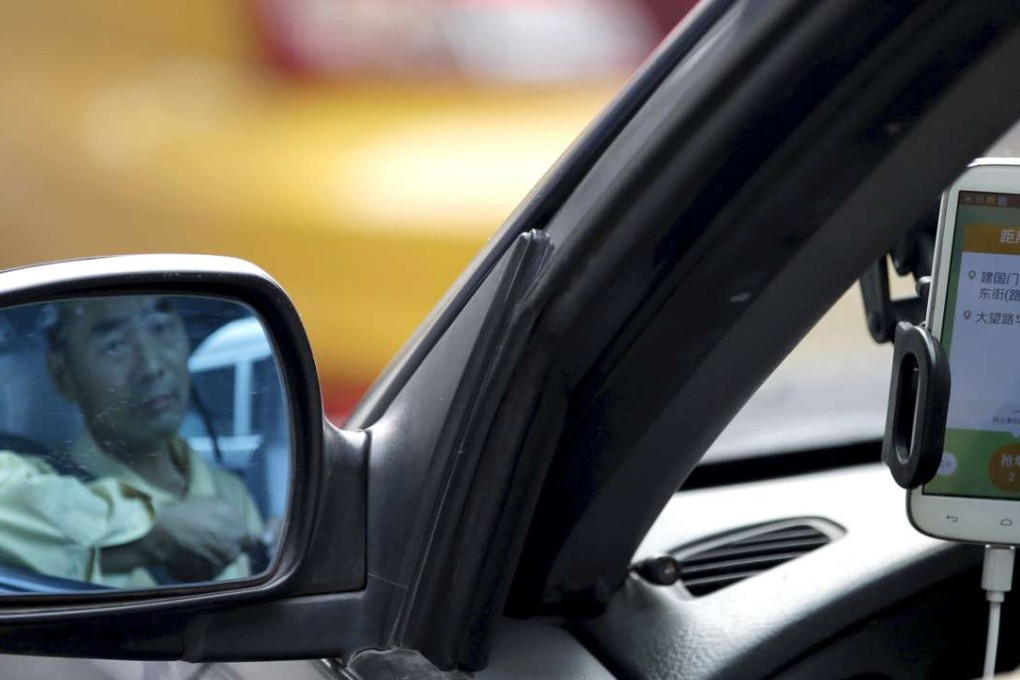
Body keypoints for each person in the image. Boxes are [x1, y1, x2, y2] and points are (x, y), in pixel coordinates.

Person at [0, 295, 263, 588]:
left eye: (161, 327)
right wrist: (156, 532)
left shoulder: (231, 491)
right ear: (64, 376)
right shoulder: (38, 485)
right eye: (115, 345)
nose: (151, 366)